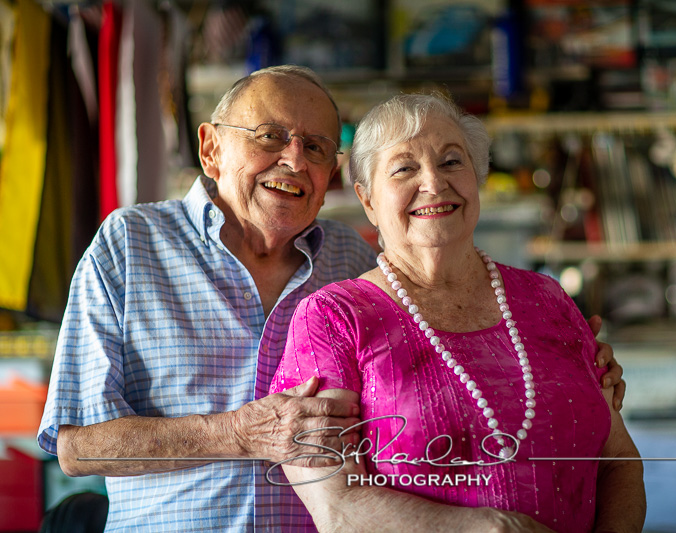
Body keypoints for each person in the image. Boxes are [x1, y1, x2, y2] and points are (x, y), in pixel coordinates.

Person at [37, 66, 624, 531]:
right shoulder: (131, 246)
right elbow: (77, 447)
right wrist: (239, 434)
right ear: (211, 149)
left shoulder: (356, 265)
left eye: (317, 147)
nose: (294, 159)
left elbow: (451, 358)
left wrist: (570, 364)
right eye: (270, 136)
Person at [268, 93, 646, 532]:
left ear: (477, 177)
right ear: (368, 200)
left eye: (451, 162)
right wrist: (490, 528)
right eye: (405, 168)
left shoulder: (548, 300)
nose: (434, 183)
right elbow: (336, 504)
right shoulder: (333, 318)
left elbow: (619, 462)